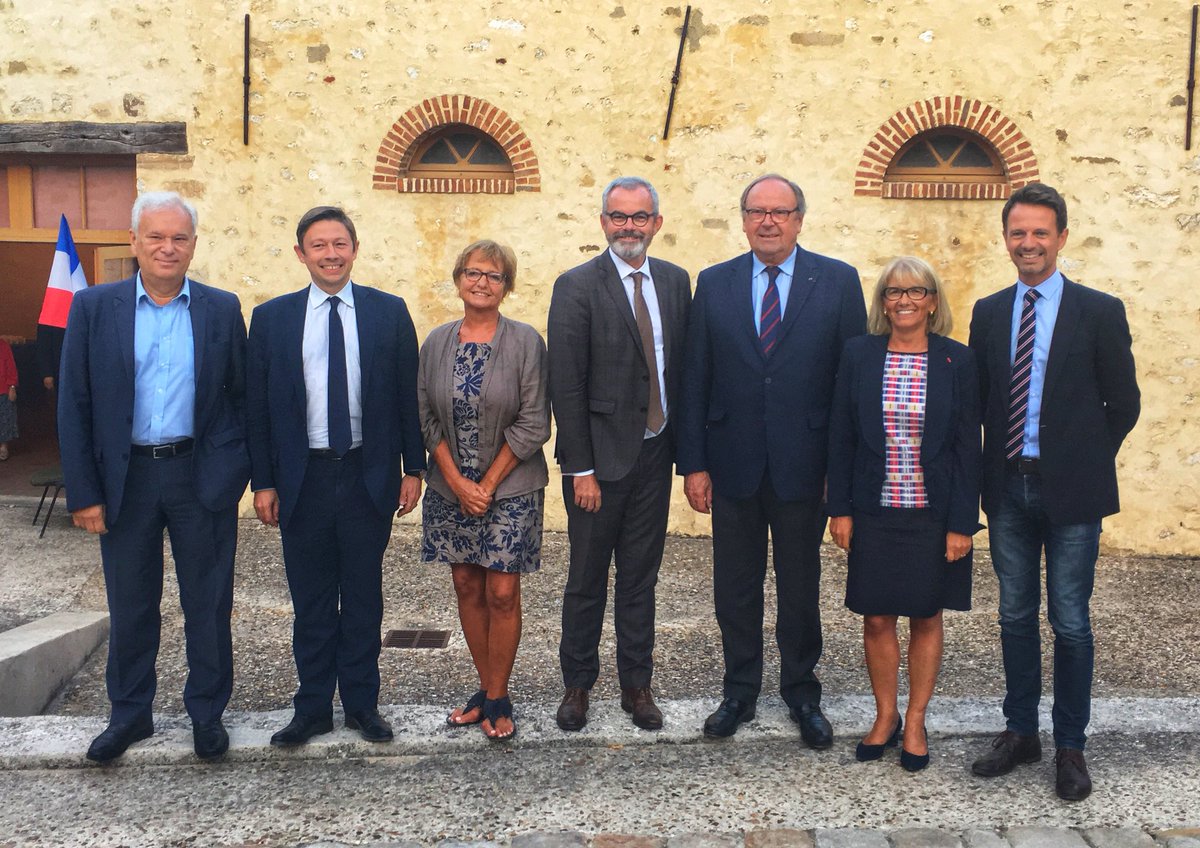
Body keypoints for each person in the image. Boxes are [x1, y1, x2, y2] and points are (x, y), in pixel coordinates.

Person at [57, 191, 250, 762]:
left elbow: (240, 399)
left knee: (209, 603)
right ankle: (129, 715)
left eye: (180, 238)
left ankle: (208, 715)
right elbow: (75, 404)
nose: (168, 247)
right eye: (157, 237)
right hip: (127, 481)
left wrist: (233, 468)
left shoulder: (220, 308)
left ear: (193, 245)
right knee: (132, 603)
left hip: (200, 477)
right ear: (134, 241)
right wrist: (84, 491)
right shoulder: (94, 308)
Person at [678, 173, 867, 745]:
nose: (768, 221)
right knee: (734, 587)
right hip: (732, 462)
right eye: (757, 211)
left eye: (780, 212)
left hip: (804, 465)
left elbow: (849, 383)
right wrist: (694, 464)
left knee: (799, 585)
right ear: (743, 221)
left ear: (799, 220)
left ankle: (802, 693)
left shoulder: (836, 281)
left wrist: (843, 473)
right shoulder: (714, 284)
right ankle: (739, 691)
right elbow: (696, 378)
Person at [968, 183, 1140, 801]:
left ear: (1062, 238)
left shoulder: (1099, 310)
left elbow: (1124, 403)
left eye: (1041, 232)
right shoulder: (989, 313)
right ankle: (1021, 733)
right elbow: (980, 403)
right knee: (1014, 615)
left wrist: (1082, 460)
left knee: (1070, 621)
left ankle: (1071, 744)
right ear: (1006, 239)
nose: (1029, 243)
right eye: (1019, 232)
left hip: (1073, 492)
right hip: (1007, 488)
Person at [247, 206, 426, 747]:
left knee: (364, 599)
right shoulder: (272, 318)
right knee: (312, 603)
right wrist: (264, 482)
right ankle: (311, 710)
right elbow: (258, 408)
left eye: (340, 244)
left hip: (366, 477)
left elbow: (406, 396)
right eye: (319, 245)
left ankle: (362, 706)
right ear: (301, 253)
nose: (331, 254)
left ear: (354, 249)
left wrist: (412, 468)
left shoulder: (388, 313)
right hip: (303, 480)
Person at [547, 176, 692, 731]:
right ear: (602, 221)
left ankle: (637, 686)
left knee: (640, 579)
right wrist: (579, 467)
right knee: (586, 579)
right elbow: (567, 381)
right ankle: (577, 686)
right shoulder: (577, 285)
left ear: (656, 222)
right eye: (618, 216)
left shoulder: (677, 283)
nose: (628, 226)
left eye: (639, 217)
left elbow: (681, 370)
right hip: (597, 465)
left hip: (654, 454)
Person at [827, 256, 981, 772]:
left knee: (926, 614)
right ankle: (885, 715)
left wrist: (963, 522)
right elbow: (841, 435)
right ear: (882, 302)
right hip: (874, 509)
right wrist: (840, 510)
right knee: (875, 616)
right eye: (894, 292)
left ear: (933, 302)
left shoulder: (957, 361)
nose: (905, 301)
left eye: (916, 292)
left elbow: (967, 447)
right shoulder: (859, 355)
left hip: (933, 513)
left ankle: (916, 720)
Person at [419, 240, 550, 741]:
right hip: (451, 489)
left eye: (494, 276)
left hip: (511, 486)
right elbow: (426, 418)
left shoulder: (524, 342)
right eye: (473, 273)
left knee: (501, 589)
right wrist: (456, 482)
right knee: (467, 585)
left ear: (507, 286)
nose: (481, 282)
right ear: (458, 279)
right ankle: (485, 689)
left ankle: (499, 695)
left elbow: (535, 421)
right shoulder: (435, 342)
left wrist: (487, 485)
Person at [0, 338, 17, 461]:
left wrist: (12, 386)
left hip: (3, 390)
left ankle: (3, 447)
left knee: (5, 419)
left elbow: (10, 366)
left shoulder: (4, 346)